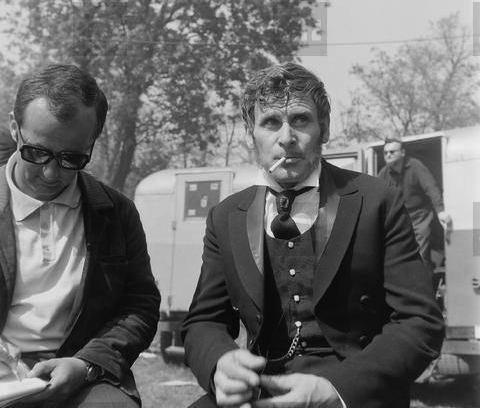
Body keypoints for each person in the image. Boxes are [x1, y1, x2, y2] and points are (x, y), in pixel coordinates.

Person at [181, 62, 444, 408]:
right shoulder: (225, 216)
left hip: (355, 393)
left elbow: (419, 321)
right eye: (270, 122)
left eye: (301, 119)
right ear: (249, 134)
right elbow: (203, 321)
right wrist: (219, 364)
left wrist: (339, 390)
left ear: (325, 128)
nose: (286, 138)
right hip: (259, 392)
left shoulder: (378, 200)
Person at [0, 64, 160, 407]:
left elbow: (140, 306)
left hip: (81, 371)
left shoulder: (117, 213)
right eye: (36, 152)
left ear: (92, 144)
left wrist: (86, 364)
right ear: (14, 127)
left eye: (72, 158)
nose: (51, 173)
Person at [378, 138, 452, 271]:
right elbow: (377, 198)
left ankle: (424, 283)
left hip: (420, 217)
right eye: (385, 153)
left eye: (392, 152)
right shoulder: (383, 174)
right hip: (399, 219)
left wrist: (440, 211)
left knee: (420, 256)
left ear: (402, 152)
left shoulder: (415, 166)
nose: (388, 155)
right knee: (398, 257)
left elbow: (431, 188)